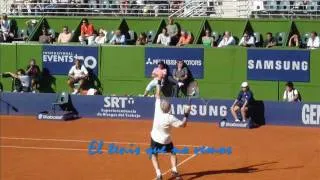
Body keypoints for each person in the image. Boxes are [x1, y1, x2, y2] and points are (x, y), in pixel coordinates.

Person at [150, 81, 191, 180]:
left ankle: (159, 174)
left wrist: (159, 82)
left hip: (155, 138)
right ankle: (174, 171)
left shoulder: (157, 109)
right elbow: (183, 125)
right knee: (172, 153)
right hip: (166, 140)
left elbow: (157, 94)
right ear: (169, 108)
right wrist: (186, 114)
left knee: (153, 155)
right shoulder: (171, 118)